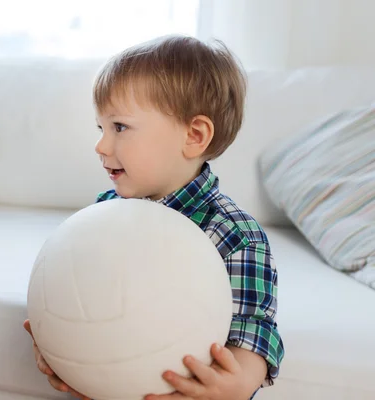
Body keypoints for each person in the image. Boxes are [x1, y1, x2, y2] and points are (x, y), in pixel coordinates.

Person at [23, 34, 284, 400]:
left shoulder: (234, 234)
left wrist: (234, 387)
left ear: (194, 135)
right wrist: (61, 347)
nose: (100, 146)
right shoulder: (102, 215)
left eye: (120, 127)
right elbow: (80, 295)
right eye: (101, 128)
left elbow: (254, 331)